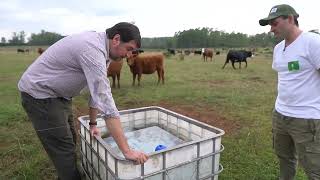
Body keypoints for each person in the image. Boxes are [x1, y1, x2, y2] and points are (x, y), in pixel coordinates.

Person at [18, 22, 149, 180]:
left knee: (70, 140)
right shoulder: (92, 50)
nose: (129, 55)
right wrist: (127, 151)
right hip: (40, 95)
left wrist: (93, 123)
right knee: (64, 150)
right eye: (128, 49)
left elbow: (95, 90)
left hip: (60, 96)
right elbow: (106, 102)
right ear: (116, 39)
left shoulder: (104, 51)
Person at [259, 4, 320, 180]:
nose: (271, 29)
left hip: (307, 119)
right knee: (285, 159)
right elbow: (286, 78)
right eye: (270, 25)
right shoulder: (278, 49)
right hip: (280, 115)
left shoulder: (312, 42)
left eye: (275, 23)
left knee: (314, 169)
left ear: (291, 19)